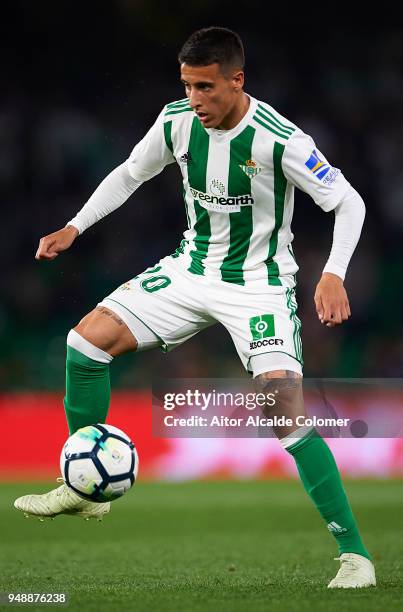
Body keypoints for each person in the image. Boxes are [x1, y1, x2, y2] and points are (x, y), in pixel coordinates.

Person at [14, 27, 375, 589]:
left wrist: (333, 274)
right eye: (187, 86)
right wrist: (75, 226)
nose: (196, 100)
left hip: (258, 284)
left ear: (237, 80)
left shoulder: (281, 140)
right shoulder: (176, 119)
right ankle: (84, 488)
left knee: (283, 410)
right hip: (190, 269)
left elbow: (347, 201)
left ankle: (355, 556)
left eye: (206, 88)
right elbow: (132, 171)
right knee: (85, 341)